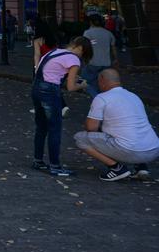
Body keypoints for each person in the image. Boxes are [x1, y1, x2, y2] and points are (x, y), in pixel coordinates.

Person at [74, 69, 159, 181]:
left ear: (102, 81)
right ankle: (141, 167)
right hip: (153, 149)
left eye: (98, 82)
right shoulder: (133, 96)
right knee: (132, 131)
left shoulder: (102, 98)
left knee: (80, 138)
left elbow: (91, 127)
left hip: (130, 151)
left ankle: (116, 168)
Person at [31, 36, 93, 177]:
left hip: (36, 88)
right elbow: (70, 87)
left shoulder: (53, 52)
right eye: (83, 54)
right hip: (50, 92)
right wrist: (81, 85)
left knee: (41, 127)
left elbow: (50, 71)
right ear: (81, 48)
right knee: (55, 129)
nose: (81, 57)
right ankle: (55, 166)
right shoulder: (73, 59)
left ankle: (38, 160)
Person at [82, 14, 117, 99]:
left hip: (92, 62)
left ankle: (97, 98)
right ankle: (103, 99)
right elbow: (113, 48)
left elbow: (85, 47)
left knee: (87, 83)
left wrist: (84, 59)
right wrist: (115, 59)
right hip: (106, 63)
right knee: (103, 84)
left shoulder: (87, 33)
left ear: (90, 22)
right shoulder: (108, 33)